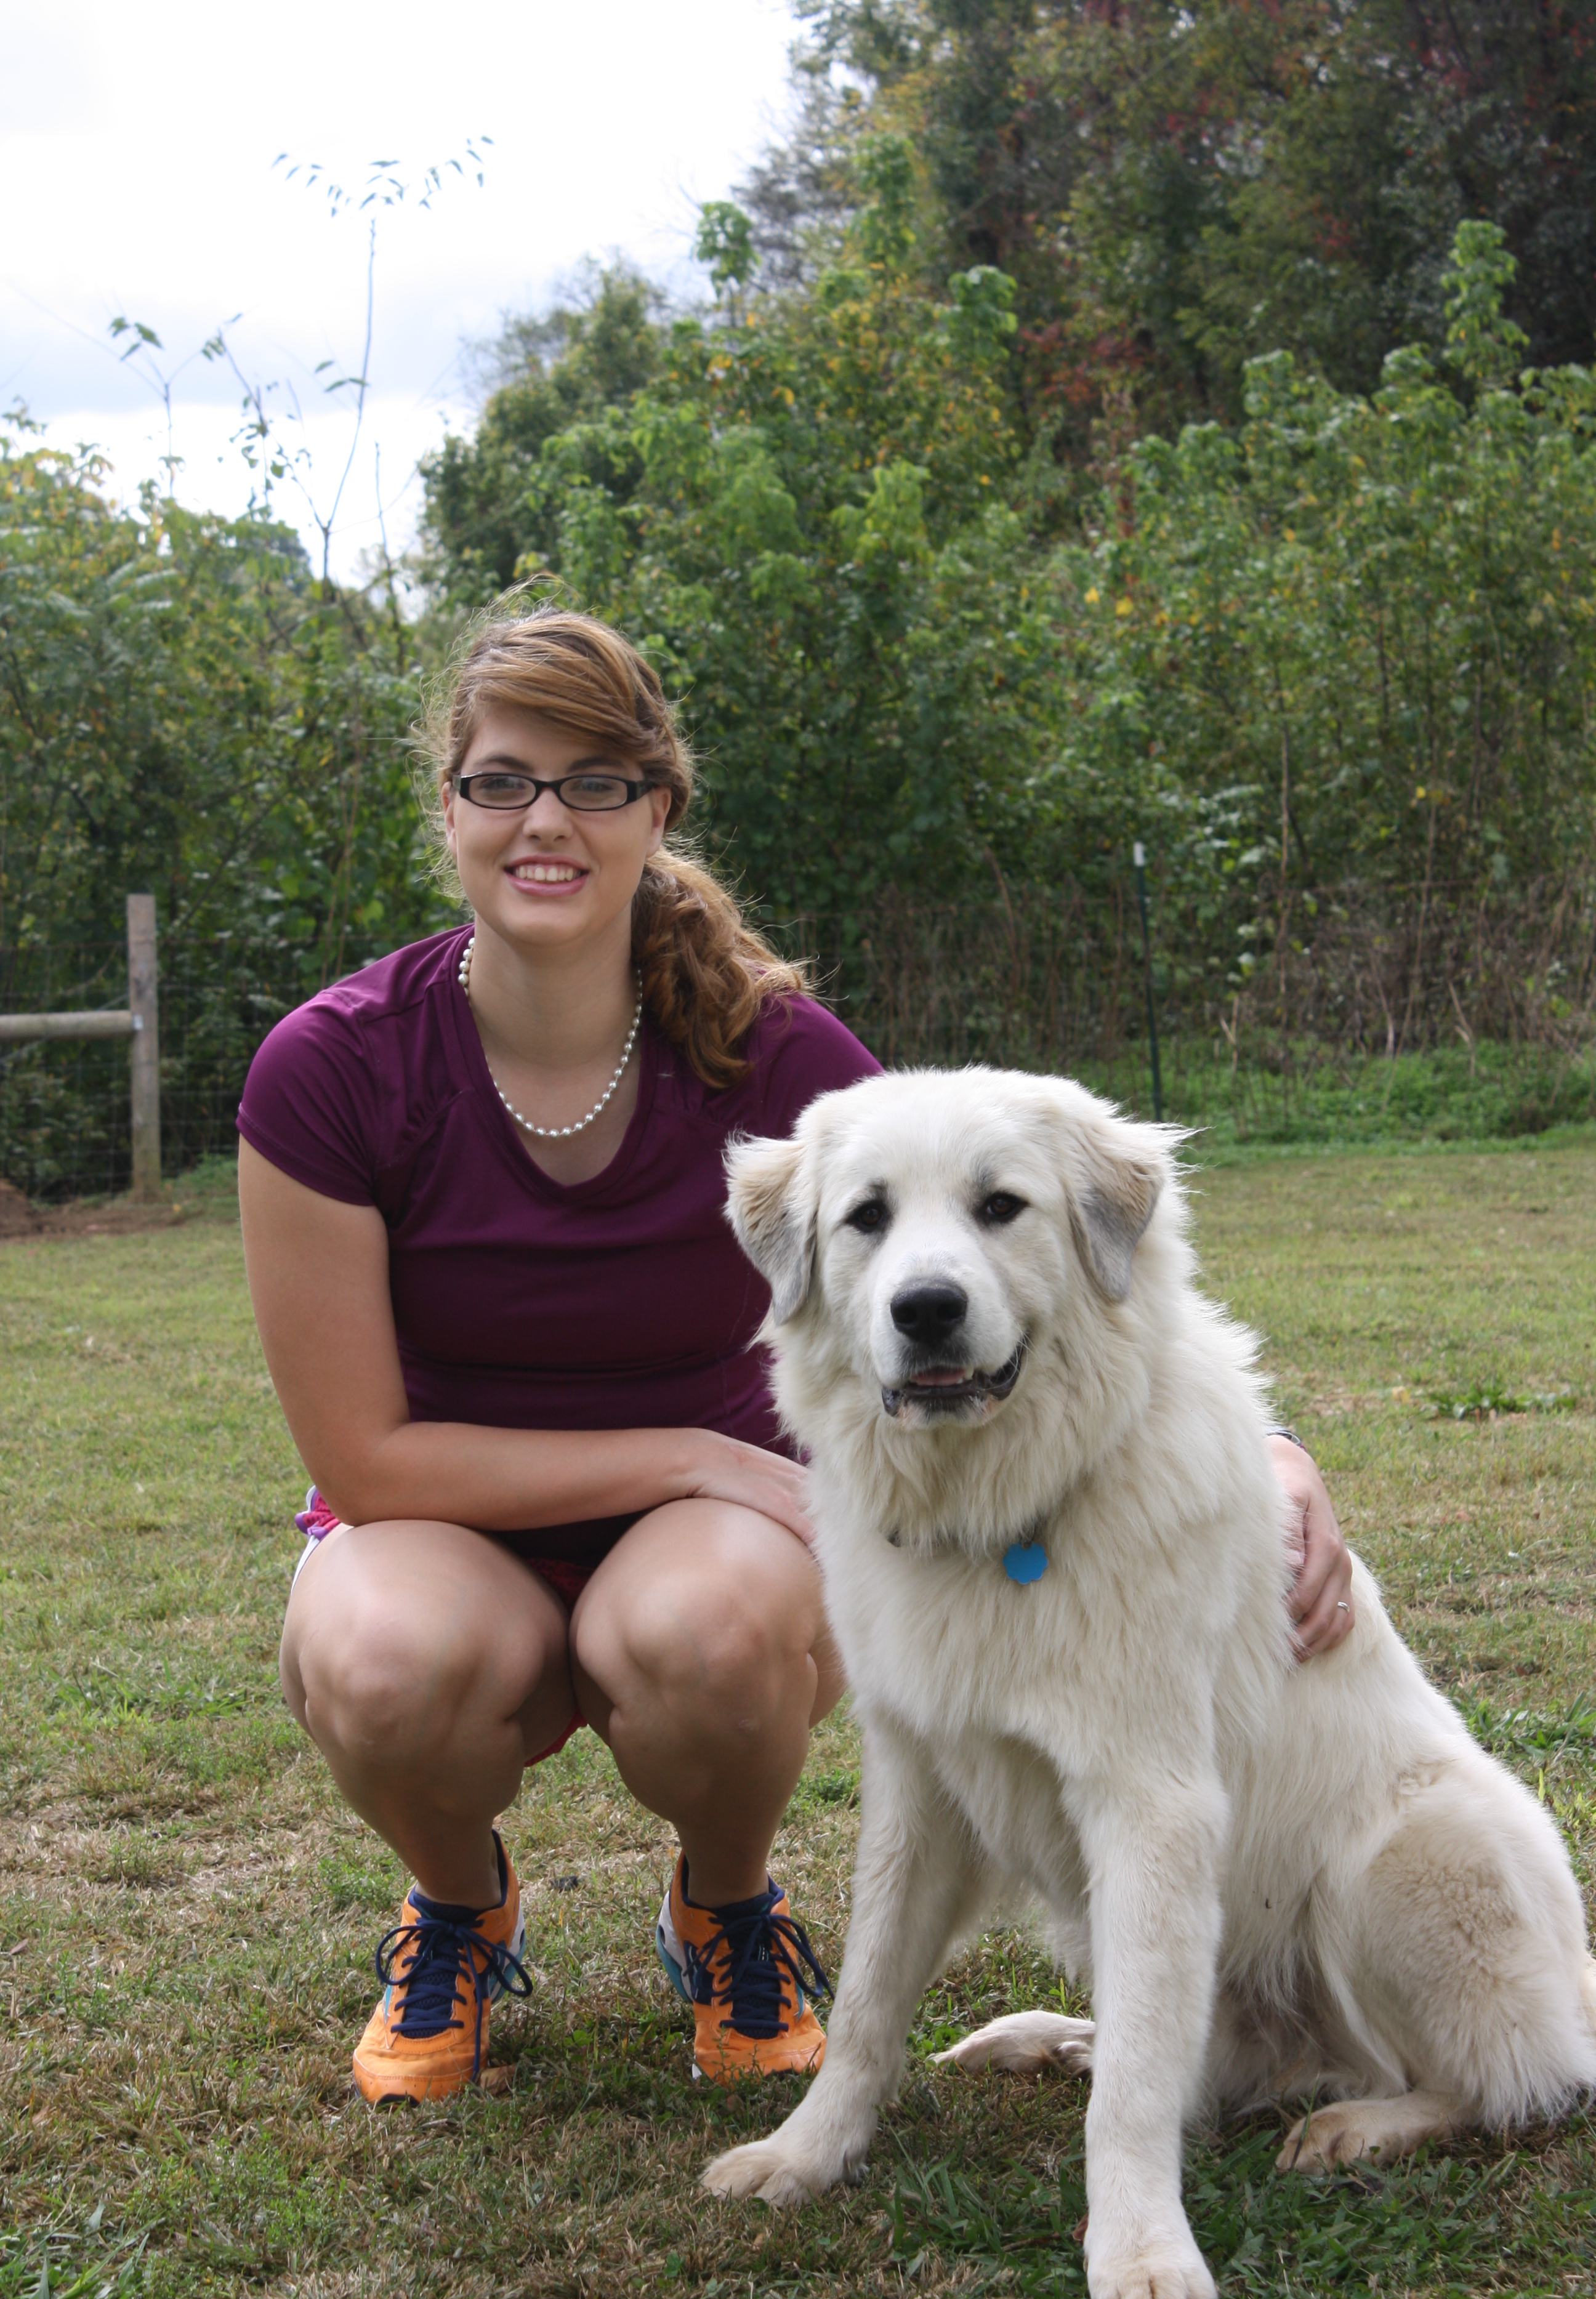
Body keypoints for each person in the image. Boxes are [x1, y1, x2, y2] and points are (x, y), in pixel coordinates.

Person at [236, 606, 1355, 2106]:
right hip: (437, 1512)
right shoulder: (330, 1066)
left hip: (711, 1549)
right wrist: (703, 1454)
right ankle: (456, 1909)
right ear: (449, 809)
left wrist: (1263, 1453)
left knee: (715, 1638)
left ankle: (727, 1910)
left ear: (659, 808)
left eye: (594, 783)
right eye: (502, 781)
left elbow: (1004, 1261)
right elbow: (359, 1459)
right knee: (382, 1666)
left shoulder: (783, 1056)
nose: (545, 821)